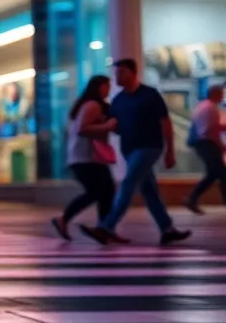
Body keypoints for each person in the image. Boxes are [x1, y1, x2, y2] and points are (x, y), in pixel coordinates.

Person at [81, 59, 192, 245]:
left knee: (128, 182)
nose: (117, 77)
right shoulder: (118, 101)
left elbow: (165, 123)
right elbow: (115, 127)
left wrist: (170, 151)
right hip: (129, 150)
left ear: (133, 73)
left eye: (121, 72)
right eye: (115, 73)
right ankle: (167, 229)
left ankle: (106, 227)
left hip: (150, 147)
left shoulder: (150, 95)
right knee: (149, 190)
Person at [52, 75, 118, 241]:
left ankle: (105, 229)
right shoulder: (92, 105)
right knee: (97, 191)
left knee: (107, 192)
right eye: (106, 86)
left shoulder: (95, 105)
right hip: (85, 157)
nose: (108, 90)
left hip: (90, 158)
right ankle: (64, 219)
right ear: (98, 87)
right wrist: (108, 126)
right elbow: (83, 129)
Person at [186, 84, 225, 214]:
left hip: (202, 144)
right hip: (207, 144)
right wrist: (220, 145)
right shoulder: (211, 108)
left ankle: (191, 198)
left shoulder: (202, 106)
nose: (223, 96)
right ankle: (191, 198)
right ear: (215, 94)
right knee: (222, 174)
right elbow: (210, 130)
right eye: (221, 93)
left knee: (214, 174)